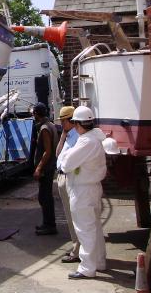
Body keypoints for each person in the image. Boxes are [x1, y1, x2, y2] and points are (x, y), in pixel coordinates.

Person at [61, 106, 107, 280]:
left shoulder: (86, 141)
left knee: (84, 229)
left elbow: (66, 164)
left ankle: (87, 267)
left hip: (82, 190)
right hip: (91, 188)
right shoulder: (95, 137)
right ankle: (99, 262)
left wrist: (66, 156)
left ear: (78, 124)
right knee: (94, 227)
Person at [55, 106, 80, 263]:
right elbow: (58, 154)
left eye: (63, 121)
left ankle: (77, 250)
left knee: (74, 216)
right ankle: (76, 247)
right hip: (62, 176)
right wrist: (63, 137)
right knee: (70, 214)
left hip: (71, 177)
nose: (61, 124)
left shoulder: (77, 137)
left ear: (70, 121)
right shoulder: (69, 135)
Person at [32, 102, 59, 235]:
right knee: (45, 196)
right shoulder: (51, 125)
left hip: (46, 169)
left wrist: (38, 168)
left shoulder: (44, 128)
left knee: (45, 197)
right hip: (49, 167)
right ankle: (47, 223)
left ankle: (49, 225)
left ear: (36, 113)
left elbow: (47, 151)